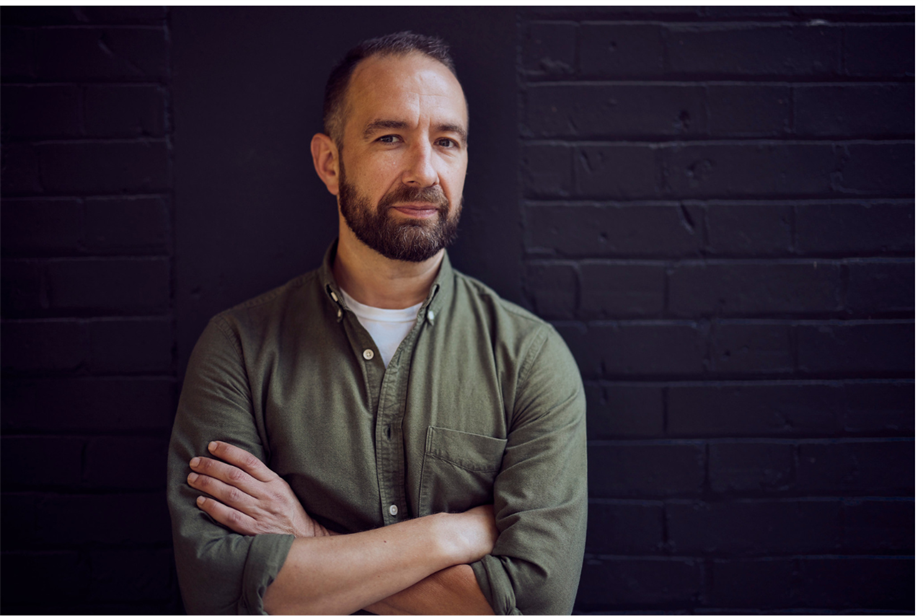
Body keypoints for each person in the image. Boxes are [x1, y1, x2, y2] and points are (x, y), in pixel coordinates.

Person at [167, 31, 587, 615]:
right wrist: (451, 535)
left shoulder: (532, 358)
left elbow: (536, 604)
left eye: (447, 141)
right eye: (391, 137)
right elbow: (222, 593)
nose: (424, 170)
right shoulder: (239, 348)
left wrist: (312, 543)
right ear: (330, 162)